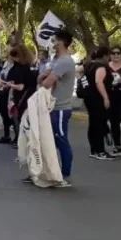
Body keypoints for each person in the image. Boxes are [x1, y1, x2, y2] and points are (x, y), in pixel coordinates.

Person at [38, 28, 76, 187]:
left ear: (62, 42)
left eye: (54, 41)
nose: (52, 44)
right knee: (48, 142)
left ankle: (64, 175)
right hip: (51, 106)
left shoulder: (65, 61)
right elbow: (40, 78)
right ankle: (49, 173)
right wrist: (46, 76)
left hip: (60, 107)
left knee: (61, 140)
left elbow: (46, 82)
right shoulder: (55, 60)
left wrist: (47, 77)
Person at [81, 47, 115, 160]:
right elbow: (98, 81)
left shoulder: (88, 65)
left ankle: (94, 150)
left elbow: (77, 70)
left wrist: (83, 83)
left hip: (89, 98)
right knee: (100, 123)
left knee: (93, 123)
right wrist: (105, 97)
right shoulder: (101, 66)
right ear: (105, 55)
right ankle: (100, 151)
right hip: (98, 98)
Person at [2, 45, 36, 145]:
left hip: (21, 98)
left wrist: (9, 84)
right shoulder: (27, 68)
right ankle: (21, 140)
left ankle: (21, 140)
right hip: (26, 98)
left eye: (13, 56)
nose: (11, 58)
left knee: (19, 119)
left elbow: (20, 86)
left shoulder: (19, 69)